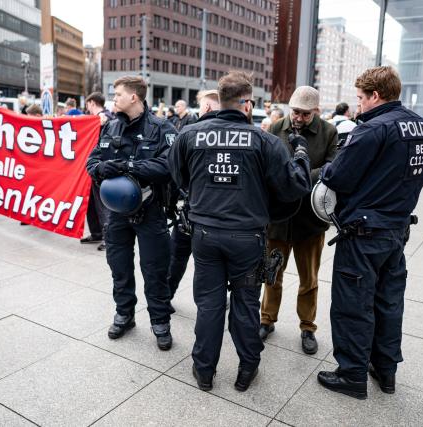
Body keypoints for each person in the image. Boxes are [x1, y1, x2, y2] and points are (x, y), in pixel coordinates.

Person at [168, 71, 312, 392]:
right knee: (246, 305)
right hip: (247, 238)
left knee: (209, 304)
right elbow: (295, 187)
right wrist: (301, 155)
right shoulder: (265, 141)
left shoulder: (190, 134)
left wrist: (204, 198)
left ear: (220, 100)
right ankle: (247, 368)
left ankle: (204, 370)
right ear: (247, 103)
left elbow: (177, 175)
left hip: (205, 234)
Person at [317, 66, 423, 400]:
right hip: (397, 228)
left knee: (353, 303)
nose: (359, 105)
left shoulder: (372, 129)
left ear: (375, 96)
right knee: (388, 302)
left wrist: (326, 167)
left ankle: (351, 374)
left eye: (360, 98)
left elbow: (337, 177)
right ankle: (386, 370)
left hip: (364, 232)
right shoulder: (420, 127)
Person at [86, 76, 177, 350]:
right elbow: (92, 162)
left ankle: (160, 321)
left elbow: (168, 167)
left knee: (155, 270)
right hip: (116, 214)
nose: (114, 98)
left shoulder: (162, 128)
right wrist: (102, 169)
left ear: (134, 97)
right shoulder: (110, 126)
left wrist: (127, 166)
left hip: (151, 212)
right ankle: (124, 314)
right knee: (119, 267)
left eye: (118, 94)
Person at [259, 86, 338, 355]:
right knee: (271, 274)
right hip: (278, 219)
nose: (299, 118)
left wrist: (295, 177)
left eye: (305, 114)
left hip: (309, 220)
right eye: (295, 112)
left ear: (315, 112)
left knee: (309, 280)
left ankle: (308, 326)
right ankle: (266, 319)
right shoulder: (275, 127)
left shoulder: (328, 132)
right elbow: (265, 165)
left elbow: (332, 169)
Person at [167, 89, 221, 300]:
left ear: (206, 107)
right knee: (212, 265)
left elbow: (174, 170)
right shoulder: (239, 131)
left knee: (177, 257)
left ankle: (166, 297)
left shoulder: (191, 132)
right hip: (221, 214)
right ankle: (213, 302)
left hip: (193, 206)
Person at [81, 92, 112, 251]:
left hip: (100, 166)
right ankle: (96, 232)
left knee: (102, 204)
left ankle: (109, 238)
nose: (87, 108)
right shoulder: (95, 119)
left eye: (87, 104)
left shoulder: (106, 117)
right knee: (91, 202)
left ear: (92, 102)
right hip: (89, 166)